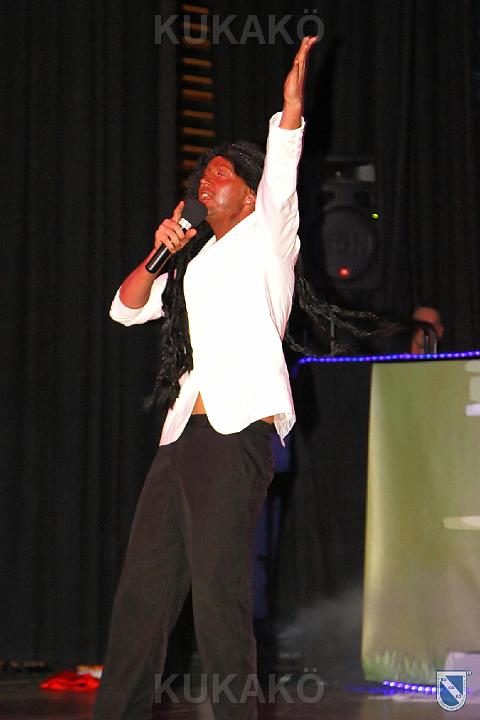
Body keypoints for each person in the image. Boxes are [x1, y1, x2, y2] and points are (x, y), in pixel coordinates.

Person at [93, 37, 319, 720]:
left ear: (249, 194)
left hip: (234, 433)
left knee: (218, 599)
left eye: (222, 172)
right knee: (142, 595)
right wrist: (159, 253)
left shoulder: (270, 237)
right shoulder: (192, 263)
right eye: (204, 172)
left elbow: (284, 161)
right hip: (180, 437)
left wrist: (290, 105)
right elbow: (125, 308)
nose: (207, 178)